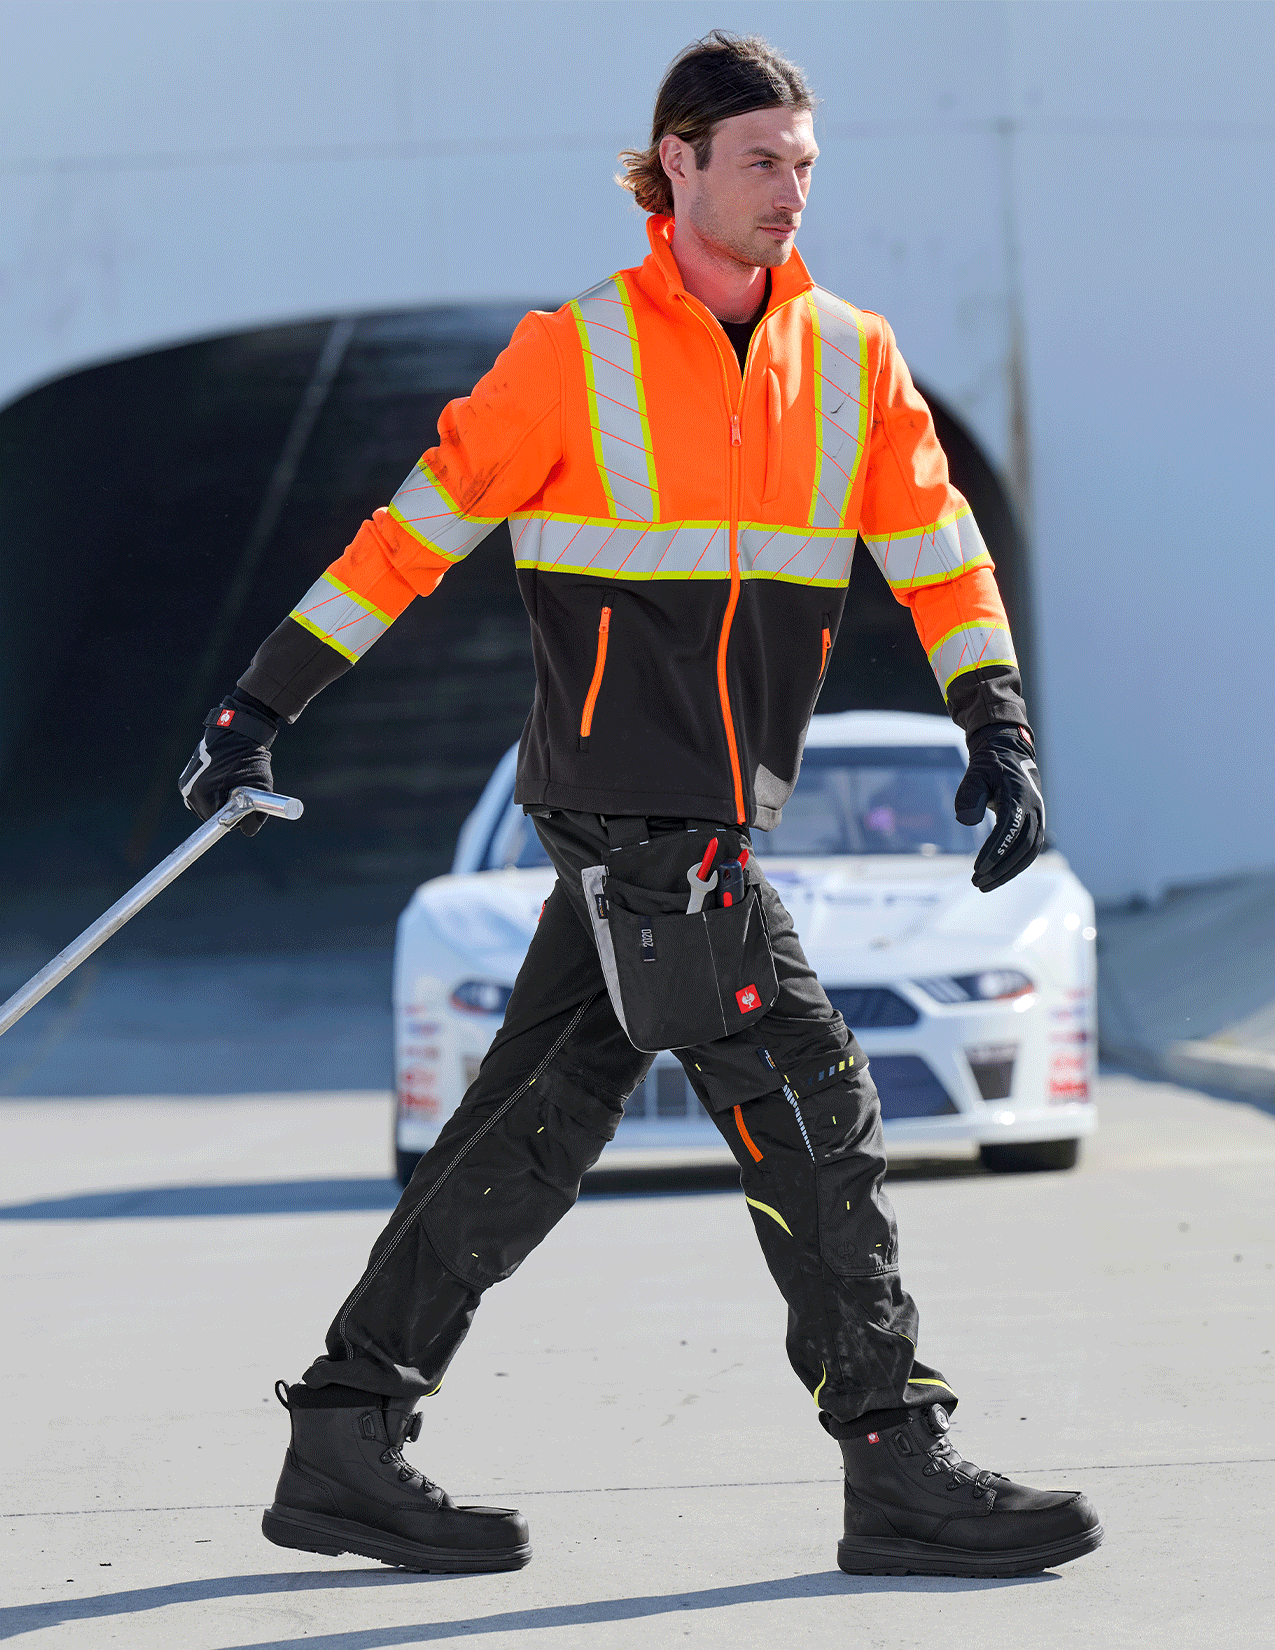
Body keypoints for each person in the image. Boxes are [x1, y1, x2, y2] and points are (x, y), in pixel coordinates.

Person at [180, 32, 1100, 1579]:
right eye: (759, 162)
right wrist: (260, 700)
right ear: (673, 163)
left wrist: (994, 727)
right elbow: (409, 535)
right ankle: (894, 1458)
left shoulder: (851, 359)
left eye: (804, 162)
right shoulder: (574, 353)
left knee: (524, 1128)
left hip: (713, 814)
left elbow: (935, 545)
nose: (789, 191)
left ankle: (344, 1430)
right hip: (636, 815)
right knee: (813, 1102)